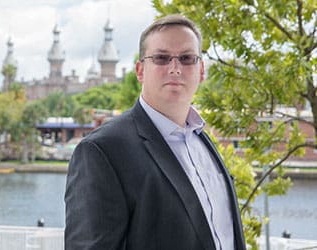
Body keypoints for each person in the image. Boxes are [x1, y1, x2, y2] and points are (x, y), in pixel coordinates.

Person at [65, 14, 246, 250]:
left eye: (187, 58)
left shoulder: (202, 140)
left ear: (201, 70)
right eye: (161, 58)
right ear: (140, 71)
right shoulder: (102, 151)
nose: (175, 68)